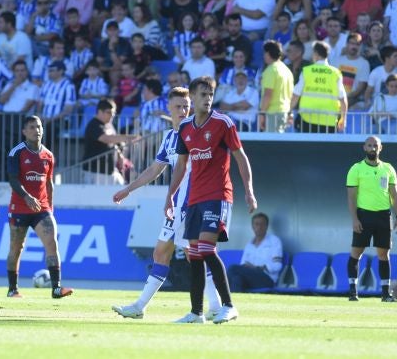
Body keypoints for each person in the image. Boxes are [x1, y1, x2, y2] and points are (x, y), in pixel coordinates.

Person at [112, 87, 223, 319]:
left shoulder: (197, 132)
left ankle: (214, 306)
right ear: (168, 108)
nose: (183, 111)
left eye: (186, 106)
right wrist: (129, 189)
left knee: (196, 253)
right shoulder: (170, 137)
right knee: (162, 252)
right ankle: (140, 307)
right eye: (178, 107)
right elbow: (155, 169)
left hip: (193, 203)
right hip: (177, 205)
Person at [164, 76, 258, 324]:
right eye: (203, 94)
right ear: (192, 97)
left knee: (206, 249)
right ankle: (196, 313)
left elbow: (241, 157)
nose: (207, 99)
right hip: (195, 198)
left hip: (218, 195)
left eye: (210, 95)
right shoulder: (185, 128)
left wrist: (249, 190)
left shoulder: (223, 123)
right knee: (194, 255)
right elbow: (181, 166)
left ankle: (229, 306)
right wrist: (170, 196)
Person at [5, 115, 74, 299]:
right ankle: (12, 289)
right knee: (16, 248)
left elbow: (49, 182)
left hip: (41, 209)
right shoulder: (16, 152)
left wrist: (50, 207)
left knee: (52, 243)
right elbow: (13, 180)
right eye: (32, 127)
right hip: (19, 207)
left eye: (39, 127)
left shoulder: (48, 155)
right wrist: (27, 197)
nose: (36, 130)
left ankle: (56, 288)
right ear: (24, 131)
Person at [345, 136, 397, 302]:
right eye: (369, 145)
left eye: (375, 145)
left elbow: (395, 195)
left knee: (384, 254)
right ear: (364, 147)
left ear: (380, 147)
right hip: (364, 216)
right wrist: (355, 219)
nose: (372, 148)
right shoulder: (356, 169)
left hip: (383, 216)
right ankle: (353, 292)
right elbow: (351, 197)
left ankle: (385, 294)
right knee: (357, 252)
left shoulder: (388, 168)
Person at [291, 41, 348, 133]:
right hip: (329, 120)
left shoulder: (307, 71)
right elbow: (343, 99)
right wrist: (343, 119)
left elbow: (296, 94)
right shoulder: (335, 73)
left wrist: (289, 111)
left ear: (316, 54)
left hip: (307, 119)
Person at [82, 99, 135, 185]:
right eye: (109, 112)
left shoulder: (109, 125)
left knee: (123, 189)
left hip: (112, 171)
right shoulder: (94, 125)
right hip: (95, 172)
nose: (112, 115)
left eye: (113, 113)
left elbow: (114, 143)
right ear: (100, 111)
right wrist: (129, 137)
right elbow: (106, 139)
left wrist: (120, 156)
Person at [227, 213, 283, 292]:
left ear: (267, 226)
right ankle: (236, 299)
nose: (259, 227)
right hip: (251, 278)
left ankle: (222, 291)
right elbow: (243, 264)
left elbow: (277, 265)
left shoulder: (274, 241)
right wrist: (248, 267)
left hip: (267, 279)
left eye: (262, 224)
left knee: (233, 268)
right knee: (237, 278)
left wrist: (257, 268)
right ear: (252, 227)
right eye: (257, 224)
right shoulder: (249, 245)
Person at [258, 40, 294, 133]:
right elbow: (291, 94)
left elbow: (268, 94)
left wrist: (262, 113)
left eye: (264, 53)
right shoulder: (287, 70)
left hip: (272, 114)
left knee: (270, 141)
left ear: (268, 53)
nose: (263, 56)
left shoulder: (271, 70)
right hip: (284, 112)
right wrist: (290, 112)